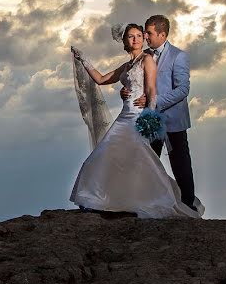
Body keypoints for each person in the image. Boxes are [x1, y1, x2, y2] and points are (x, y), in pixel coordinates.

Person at [70, 24, 201, 219]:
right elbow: (102, 79)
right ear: (125, 41)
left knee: (142, 160)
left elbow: (151, 90)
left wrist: (149, 114)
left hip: (140, 117)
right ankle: (102, 200)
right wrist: (84, 60)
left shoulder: (147, 60)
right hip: (124, 116)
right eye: (131, 36)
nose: (137, 39)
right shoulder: (127, 65)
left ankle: (162, 201)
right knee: (105, 155)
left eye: (140, 35)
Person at [121, 15, 202, 213]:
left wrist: (154, 101)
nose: (145, 37)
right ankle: (144, 201)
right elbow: (133, 81)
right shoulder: (143, 56)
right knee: (147, 160)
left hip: (173, 119)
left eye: (149, 33)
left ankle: (188, 204)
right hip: (148, 120)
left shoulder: (179, 56)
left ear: (162, 34)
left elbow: (182, 90)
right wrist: (124, 91)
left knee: (180, 162)